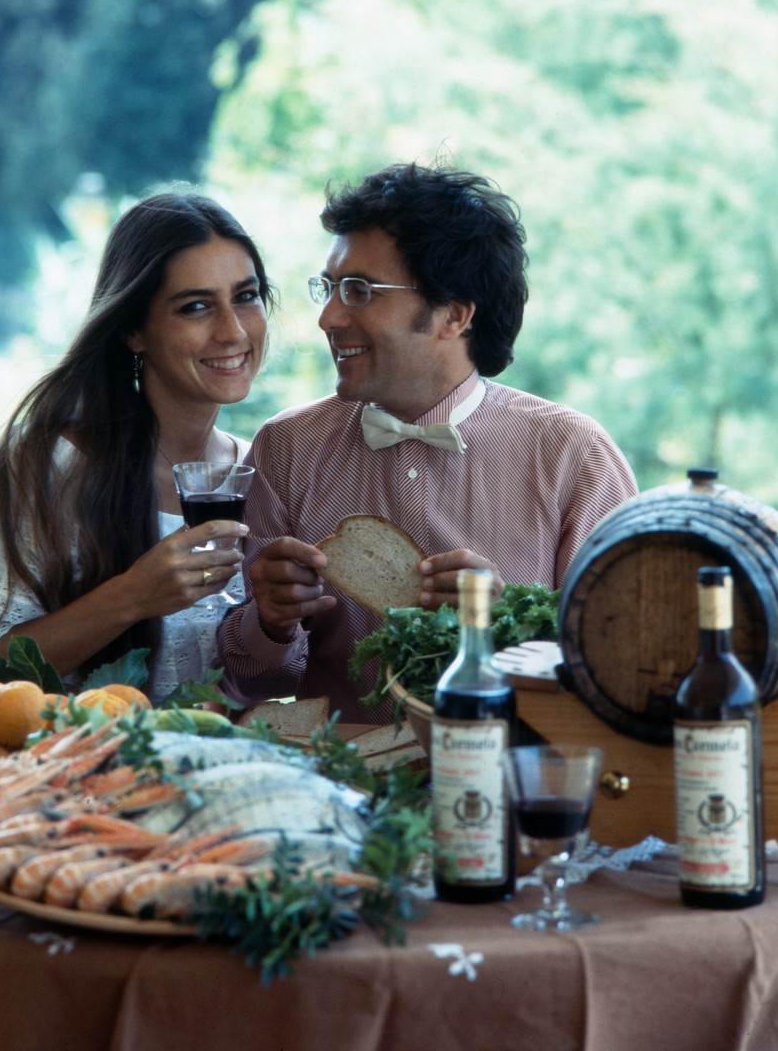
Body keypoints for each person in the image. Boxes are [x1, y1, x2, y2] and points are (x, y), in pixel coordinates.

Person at [217, 163, 637, 721]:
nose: (328, 317)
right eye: (331, 287)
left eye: (360, 291)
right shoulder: (286, 449)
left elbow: (626, 670)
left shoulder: (573, 457)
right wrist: (269, 621)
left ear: (454, 315)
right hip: (344, 786)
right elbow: (251, 687)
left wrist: (510, 627)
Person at [0, 193, 273, 701]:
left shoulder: (266, 468)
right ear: (133, 331)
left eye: (246, 296)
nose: (232, 331)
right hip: (68, 765)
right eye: (196, 306)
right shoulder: (52, 467)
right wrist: (131, 597)